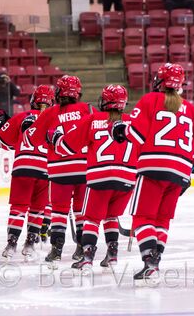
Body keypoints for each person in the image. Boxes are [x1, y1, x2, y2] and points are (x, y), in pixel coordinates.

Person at [110, 63, 194, 285]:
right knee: (162, 220)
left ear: (159, 81)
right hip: (179, 172)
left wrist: (121, 130)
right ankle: (155, 263)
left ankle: (150, 264)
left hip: (152, 167)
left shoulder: (150, 100)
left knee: (143, 217)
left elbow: (136, 135)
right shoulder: (190, 109)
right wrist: (188, 170)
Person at [52, 85, 137, 269]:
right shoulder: (132, 122)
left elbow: (66, 147)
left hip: (100, 178)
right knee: (111, 216)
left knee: (91, 218)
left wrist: (56, 138)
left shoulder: (93, 119)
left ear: (105, 101)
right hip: (127, 180)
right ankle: (112, 255)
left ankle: (88, 257)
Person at [25, 75, 93, 265]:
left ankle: (56, 249)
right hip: (85, 170)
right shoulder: (88, 109)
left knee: (59, 212)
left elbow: (33, 140)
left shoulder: (51, 112)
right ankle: (81, 247)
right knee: (81, 211)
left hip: (60, 171)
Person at [0, 85, 55, 260]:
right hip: (45, 169)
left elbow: (2, 141)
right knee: (38, 208)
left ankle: (11, 243)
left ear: (33, 101)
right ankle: (30, 244)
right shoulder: (55, 120)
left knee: (18, 207)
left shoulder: (21, 117)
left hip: (23, 167)